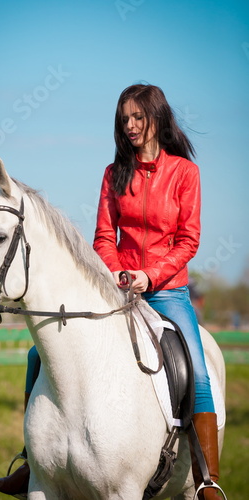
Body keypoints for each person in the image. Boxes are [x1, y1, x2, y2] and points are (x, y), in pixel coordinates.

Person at [93, 83, 221, 499]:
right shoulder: (114, 175)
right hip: (120, 291)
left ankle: (207, 481)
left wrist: (150, 275)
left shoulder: (186, 173)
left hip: (168, 293)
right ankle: (31, 461)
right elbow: (102, 237)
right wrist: (117, 274)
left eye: (138, 117)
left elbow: (188, 240)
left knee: (199, 375)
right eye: (124, 119)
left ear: (157, 118)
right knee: (39, 353)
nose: (130, 125)